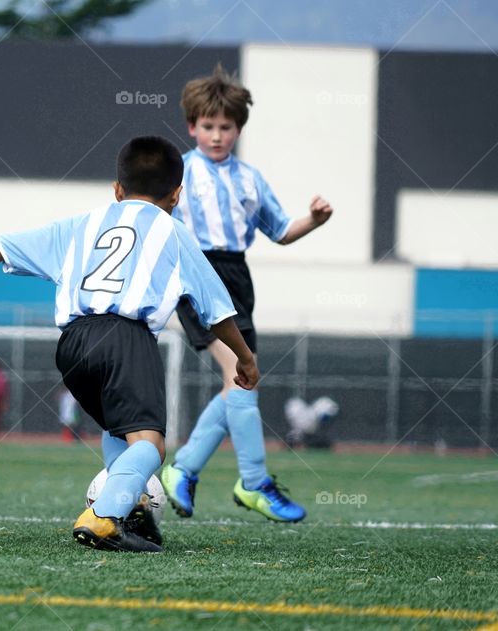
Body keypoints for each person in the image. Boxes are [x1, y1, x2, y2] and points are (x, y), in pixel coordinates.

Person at [0, 136, 259, 553]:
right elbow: (217, 311)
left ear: (117, 190)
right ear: (177, 195)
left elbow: (3, 245)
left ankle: (133, 509)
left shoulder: (83, 224)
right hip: (127, 338)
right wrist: (245, 358)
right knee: (149, 445)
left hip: (73, 343)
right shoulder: (174, 232)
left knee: (118, 429)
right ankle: (105, 515)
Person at [159, 64, 334, 523]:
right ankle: (254, 482)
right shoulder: (177, 173)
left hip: (237, 276)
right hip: (196, 273)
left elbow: (280, 231)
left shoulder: (250, 179)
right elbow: (154, 226)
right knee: (241, 373)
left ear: (238, 129)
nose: (217, 135)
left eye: (226, 127)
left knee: (239, 381)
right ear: (192, 126)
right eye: (208, 127)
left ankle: (184, 469)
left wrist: (313, 221)